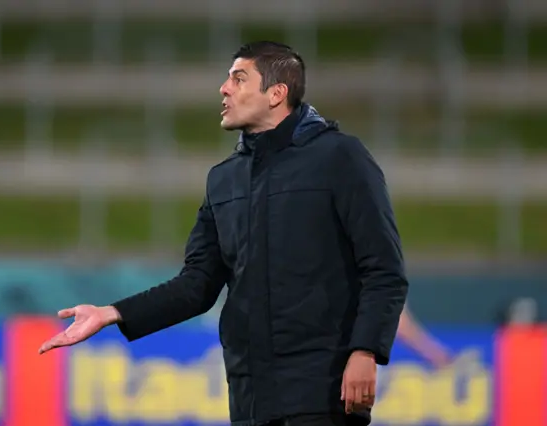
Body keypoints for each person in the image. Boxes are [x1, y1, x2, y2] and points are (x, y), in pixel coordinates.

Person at [39, 41, 409, 426]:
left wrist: (365, 351)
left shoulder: (341, 158)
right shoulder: (223, 179)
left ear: (276, 93)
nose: (224, 88)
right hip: (249, 397)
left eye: (238, 78)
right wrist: (112, 313)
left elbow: (384, 270)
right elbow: (197, 284)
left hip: (323, 390)